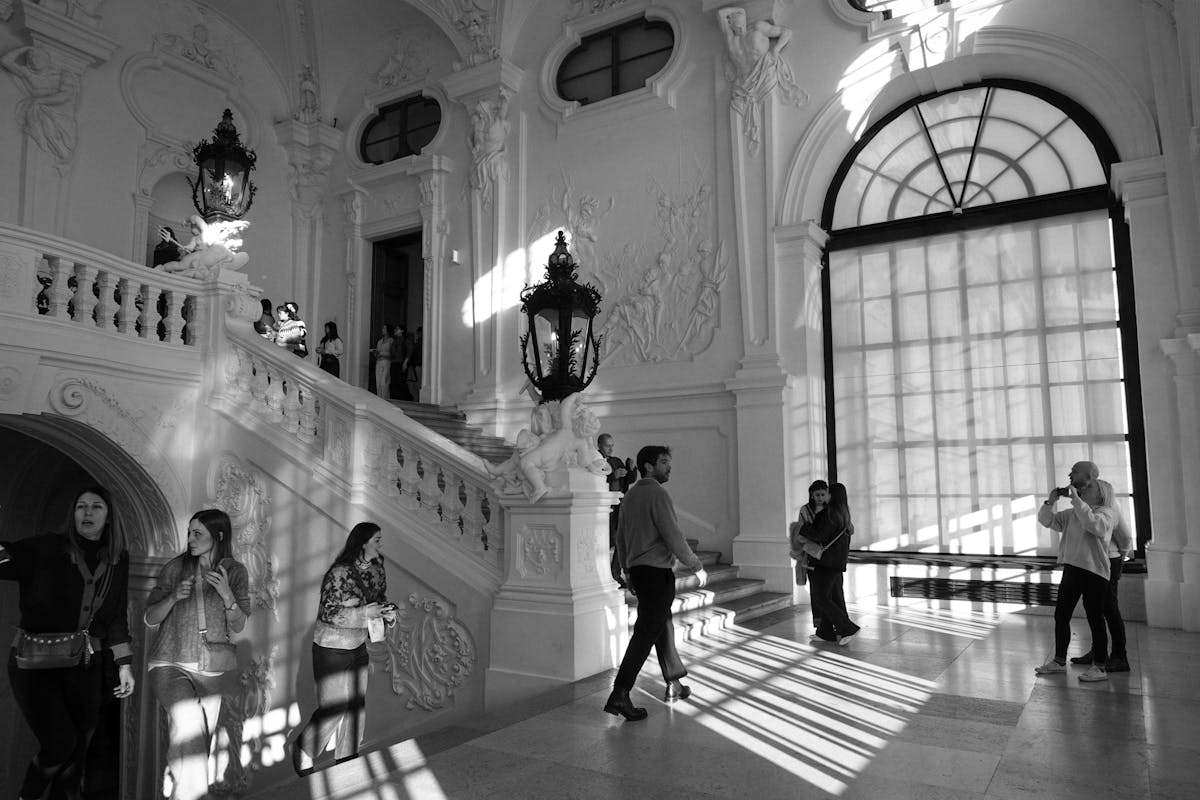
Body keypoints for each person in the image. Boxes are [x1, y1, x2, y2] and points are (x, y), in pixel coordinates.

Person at [0, 485, 135, 800]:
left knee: (77, 758)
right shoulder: (45, 547)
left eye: (96, 507)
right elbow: (6, 559)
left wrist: (124, 664)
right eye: (81, 506)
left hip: (86, 664)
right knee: (60, 745)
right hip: (33, 664)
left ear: (110, 517)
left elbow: (115, 618)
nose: (87, 512)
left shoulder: (118, 560)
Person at [144, 509, 251, 800]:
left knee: (197, 743)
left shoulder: (236, 571)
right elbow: (150, 618)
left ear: (218, 536)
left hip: (211, 667)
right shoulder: (174, 568)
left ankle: (176, 788)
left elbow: (239, 624)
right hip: (168, 662)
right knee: (189, 722)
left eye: (197, 533)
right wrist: (173, 597)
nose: (190, 539)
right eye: (189, 533)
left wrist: (228, 595)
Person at [605, 446, 707, 721]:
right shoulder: (657, 494)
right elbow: (673, 535)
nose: (669, 467)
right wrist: (695, 565)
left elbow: (621, 538)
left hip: (639, 572)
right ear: (648, 466)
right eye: (663, 462)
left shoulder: (630, 496)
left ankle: (673, 683)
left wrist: (627, 572)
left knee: (661, 625)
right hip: (657, 574)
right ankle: (620, 693)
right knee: (646, 632)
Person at [291, 523, 397, 775]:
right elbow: (328, 613)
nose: (381, 545)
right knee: (335, 706)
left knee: (355, 707)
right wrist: (364, 613)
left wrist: (388, 613)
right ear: (363, 543)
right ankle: (304, 747)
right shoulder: (338, 574)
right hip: (331, 647)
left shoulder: (377, 570)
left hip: (358, 645)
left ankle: (348, 761)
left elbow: (379, 600)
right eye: (377, 540)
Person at [1035, 461, 1120, 682]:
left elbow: (1095, 526)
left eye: (1088, 488)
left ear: (1099, 493)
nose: (1082, 491)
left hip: (1095, 573)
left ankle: (1100, 667)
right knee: (1061, 614)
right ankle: (1059, 661)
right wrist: (1050, 502)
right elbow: (1047, 521)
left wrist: (1077, 500)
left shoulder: (1106, 513)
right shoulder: (1073, 513)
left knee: (1095, 618)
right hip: (1072, 570)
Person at [1070, 479, 1135, 673]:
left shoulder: (1109, 509)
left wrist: (1120, 559)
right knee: (1094, 610)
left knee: (1109, 609)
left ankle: (1119, 657)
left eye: (1088, 486)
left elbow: (1125, 537)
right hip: (1094, 563)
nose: (1081, 487)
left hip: (1110, 560)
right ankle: (1098, 652)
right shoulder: (1085, 508)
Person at [798, 482, 859, 645]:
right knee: (829, 596)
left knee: (822, 597)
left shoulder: (830, 513)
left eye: (828, 493)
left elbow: (819, 536)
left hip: (826, 562)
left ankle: (847, 628)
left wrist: (802, 529)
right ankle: (825, 632)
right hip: (836, 562)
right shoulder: (843, 513)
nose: (825, 496)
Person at [598, 433, 635, 587]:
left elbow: (629, 480)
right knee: (606, 541)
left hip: (619, 505)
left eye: (612, 445)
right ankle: (601, 574)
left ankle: (615, 574)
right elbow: (594, 481)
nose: (611, 448)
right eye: (608, 445)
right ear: (599, 445)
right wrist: (613, 476)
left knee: (621, 540)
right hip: (603, 507)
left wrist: (631, 470)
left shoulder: (616, 461)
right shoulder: (595, 460)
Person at [791, 480, 829, 626]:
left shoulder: (831, 509)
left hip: (828, 553)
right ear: (812, 496)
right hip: (812, 553)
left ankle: (830, 622)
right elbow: (801, 532)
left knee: (829, 589)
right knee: (816, 589)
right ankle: (819, 623)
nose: (820, 497)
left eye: (822, 494)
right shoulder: (805, 510)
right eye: (817, 495)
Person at [371, 324, 394, 399]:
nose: (382, 330)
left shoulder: (391, 340)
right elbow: (377, 353)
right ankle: (379, 399)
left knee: (384, 383)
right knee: (378, 383)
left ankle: (385, 399)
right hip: (378, 362)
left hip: (386, 362)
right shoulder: (379, 341)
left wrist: (383, 354)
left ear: (388, 330)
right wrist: (375, 353)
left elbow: (393, 354)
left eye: (384, 328)